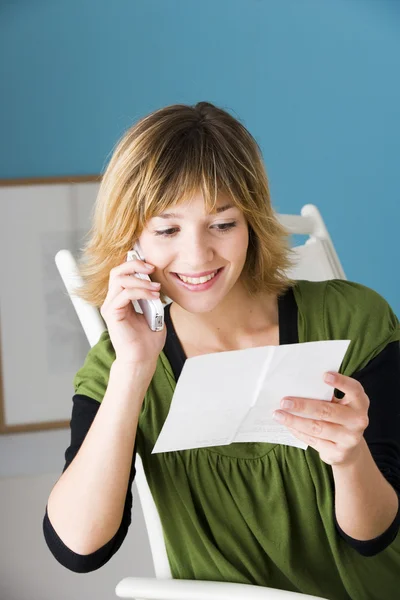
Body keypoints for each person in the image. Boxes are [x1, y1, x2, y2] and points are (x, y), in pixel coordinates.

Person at [43, 102, 400, 598]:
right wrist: (134, 369)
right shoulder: (120, 364)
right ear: (132, 241)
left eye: (223, 224)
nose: (197, 256)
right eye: (167, 230)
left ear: (252, 222)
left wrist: (349, 458)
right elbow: (78, 550)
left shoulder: (354, 321)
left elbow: (374, 537)